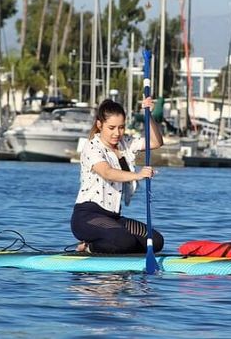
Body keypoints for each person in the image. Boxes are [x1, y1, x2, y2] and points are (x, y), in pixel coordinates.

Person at [70, 98, 164, 254]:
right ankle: (88, 247)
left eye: (121, 127)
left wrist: (148, 115)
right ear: (100, 125)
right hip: (87, 217)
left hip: (113, 218)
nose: (117, 133)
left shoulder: (125, 143)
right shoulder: (92, 146)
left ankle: (115, 246)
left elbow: (156, 142)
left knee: (155, 241)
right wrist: (138, 175)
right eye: (111, 128)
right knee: (124, 240)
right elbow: (107, 172)